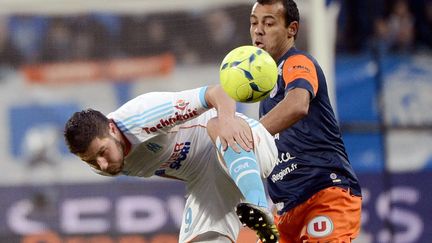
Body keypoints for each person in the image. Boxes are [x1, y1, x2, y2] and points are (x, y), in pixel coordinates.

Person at [63, 85, 279, 243]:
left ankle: (260, 207)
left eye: (102, 152)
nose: (101, 164)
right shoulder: (104, 164)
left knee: (216, 124)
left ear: (111, 129)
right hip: (206, 180)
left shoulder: (143, 115)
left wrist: (229, 123)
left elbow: (219, 92)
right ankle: (267, 233)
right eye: (90, 160)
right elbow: (160, 166)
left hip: (249, 144)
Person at [249, 0, 362, 242]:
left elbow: (298, 104)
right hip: (285, 210)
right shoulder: (266, 91)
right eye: (254, 23)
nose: (259, 30)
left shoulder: (297, 62)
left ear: (292, 29)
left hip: (325, 193)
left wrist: (250, 133)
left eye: (269, 23)